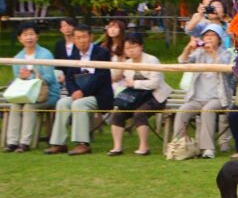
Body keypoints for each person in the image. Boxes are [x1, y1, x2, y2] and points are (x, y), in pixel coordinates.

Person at [45, 25, 114, 155]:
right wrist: (74, 92)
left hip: (99, 95)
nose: (81, 41)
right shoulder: (74, 55)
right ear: (74, 39)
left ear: (91, 37)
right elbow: (69, 77)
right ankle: (58, 143)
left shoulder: (102, 53)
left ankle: (82, 144)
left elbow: (100, 77)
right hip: (79, 93)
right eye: (78, 38)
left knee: (78, 104)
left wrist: (82, 92)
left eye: (84, 37)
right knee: (62, 102)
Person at [107, 31, 172, 156]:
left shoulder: (152, 60)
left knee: (139, 113)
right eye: (127, 48)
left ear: (141, 46)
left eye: (134, 47)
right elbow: (123, 81)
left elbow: (155, 83)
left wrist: (135, 84)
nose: (131, 51)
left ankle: (144, 147)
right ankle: (117, 147)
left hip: (156, 96)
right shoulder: (127, 64)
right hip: (135, 97)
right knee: (117, 114)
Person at [174, 23, 233, 159]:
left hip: (218, 98)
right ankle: (177, 145)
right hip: (197, 98)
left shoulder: (225, 53)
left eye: (212, 35)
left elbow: (224, 69)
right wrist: (188, 48)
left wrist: (212, 53)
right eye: (206, 35)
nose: (209, 38)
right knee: (182, 110)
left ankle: (207, 148)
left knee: (207, 111)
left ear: (219, 38)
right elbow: (182, 62)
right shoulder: (198, 53)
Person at [4, 22, 61, 152]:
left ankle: (25, 143)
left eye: (31, 34)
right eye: (25, 35)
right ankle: (12, 142)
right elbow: (17, 80)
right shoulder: (18, 57)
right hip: (25, 95)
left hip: (46, 95)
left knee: (29, 107)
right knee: (15, 106)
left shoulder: (45, 54)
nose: (29, 38)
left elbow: (50, 78)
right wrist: (21, 78)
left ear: (37, 36)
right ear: (20, 38)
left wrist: (31, 76)